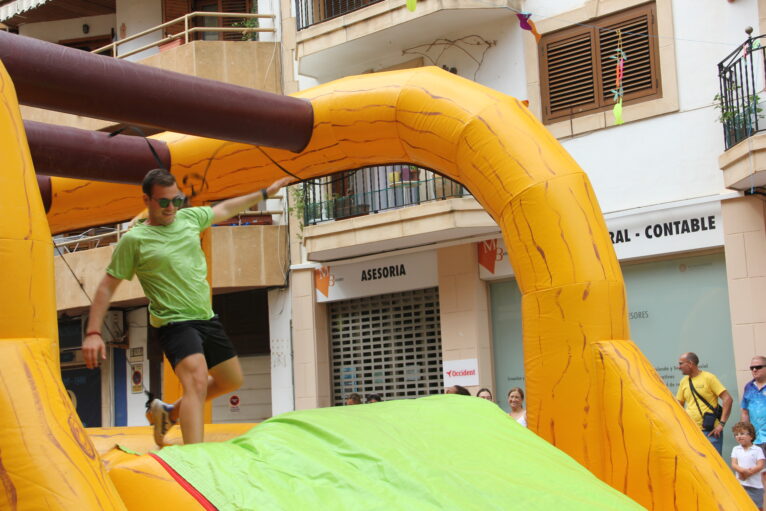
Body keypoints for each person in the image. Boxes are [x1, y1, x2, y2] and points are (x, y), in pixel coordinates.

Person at [82, 168, 294, 446]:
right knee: (195, 379)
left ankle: (168, 413)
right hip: (173, 323)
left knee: (231, 380)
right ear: (147, 200)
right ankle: (195, 458)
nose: (171, 208)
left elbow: (224, 209)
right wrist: (94, 332)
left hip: (205, 317)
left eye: (176, 200)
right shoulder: (135, 240)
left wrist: (266, 193)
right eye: (163, 202)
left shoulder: (189, 218)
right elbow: (107, 286)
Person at [676, 352, 733, 455]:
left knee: (715, 466)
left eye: (681, 364)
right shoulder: (684, 381)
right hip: (691, 431)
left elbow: (727, 399)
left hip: (711, 431)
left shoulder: (708, 378)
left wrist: (721, 424)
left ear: (690, 363)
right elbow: (678, 405)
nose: (678, 367)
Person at [731, 421, 765, 509]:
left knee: (757, 507)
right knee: (741, 506)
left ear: (751, 436)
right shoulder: (736, 449)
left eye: (742, 433)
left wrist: (748, 473)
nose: (739, 436)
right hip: (741, 484)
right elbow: (734, 464)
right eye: (736, 434)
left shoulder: (757, 450)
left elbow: (760, 465)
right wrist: (742, 471)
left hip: (755, 486)